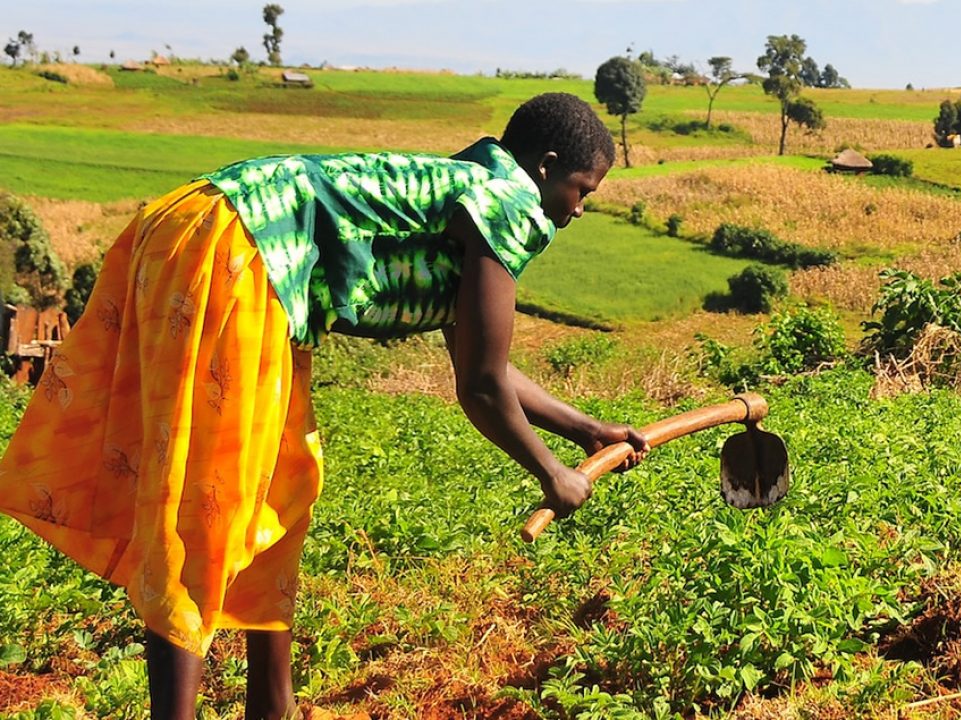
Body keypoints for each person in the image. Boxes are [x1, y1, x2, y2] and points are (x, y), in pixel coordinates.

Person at [0, 92, 641, 720]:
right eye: (583, 190)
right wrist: (550, 473)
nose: (579, 209)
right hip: (245, 252)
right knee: (210, 500)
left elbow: (487, 366)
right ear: (546, 166)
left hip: (205, 224)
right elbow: (479, 385)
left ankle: (271, 707)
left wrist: (586, 429)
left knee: (279, 482)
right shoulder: (510, 202)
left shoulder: (466, 193)